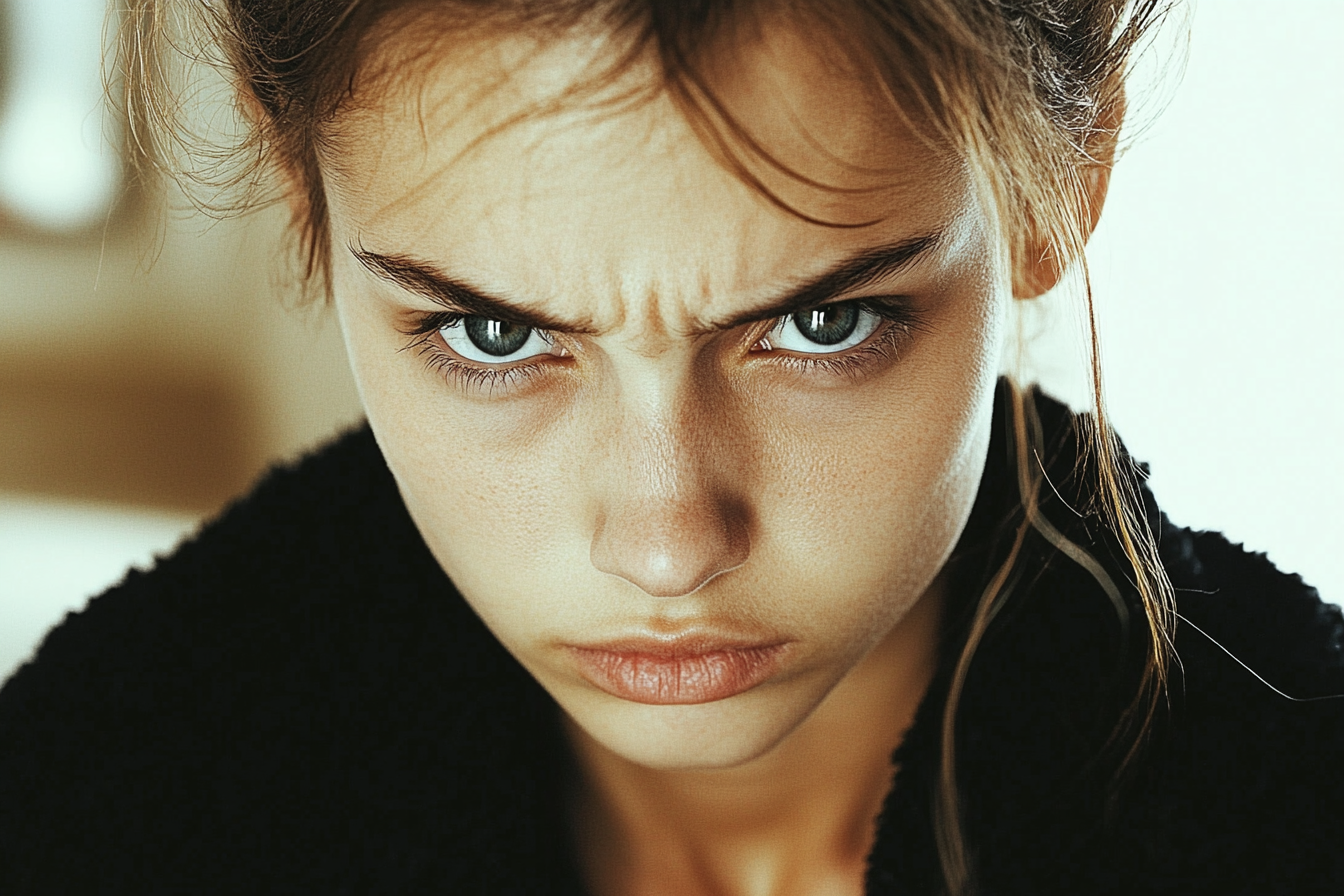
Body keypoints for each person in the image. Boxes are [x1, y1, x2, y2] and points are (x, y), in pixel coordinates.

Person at [1, 0, 1341, 893]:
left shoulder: (1293, 814)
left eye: (823, 323)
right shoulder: (95, 807)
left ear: (1061, 180)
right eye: (493, 336)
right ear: (301, 193)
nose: (665, 543)